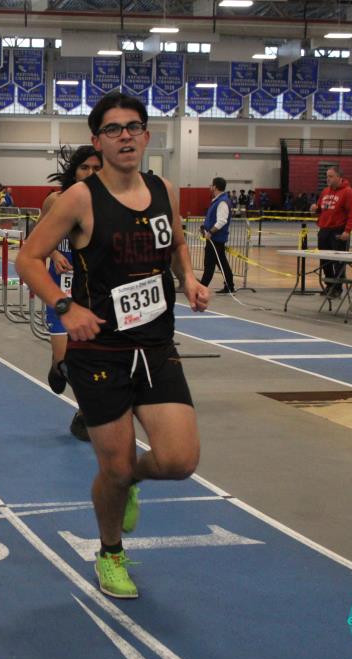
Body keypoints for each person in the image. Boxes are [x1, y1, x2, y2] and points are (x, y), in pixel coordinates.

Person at [15, 92, 209, 600]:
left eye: (134, 127)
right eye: (113, 129)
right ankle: (111, 552)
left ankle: (130, 482)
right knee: (114, 467)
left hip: (156, 345)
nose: (126, 136)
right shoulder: (79, 199)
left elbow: (178, 242)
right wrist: (64, 306)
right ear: (97, 141)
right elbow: (28, 259)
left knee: (179, 460)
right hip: (100, 351)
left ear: (146, 136)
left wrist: (188, 279)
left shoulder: (164, 189)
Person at [38, 144, 102, 443]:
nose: (90, 173)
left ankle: (84, 412)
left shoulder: (108, 205)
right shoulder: (55, 200)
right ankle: (57, 366)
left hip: (92, 292)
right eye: (84, 168)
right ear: (74, 171)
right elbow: (37, 239)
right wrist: (54, 253)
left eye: (97, 168)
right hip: (60, 291)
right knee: (65, 361)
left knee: (90, 360)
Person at [310, 166, 352, 299]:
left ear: (339, 177)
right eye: (327, 176)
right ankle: (329, 285)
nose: (327, 179)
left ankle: (337, 288)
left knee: (338, 261)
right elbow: (320, 209)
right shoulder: (325, 191)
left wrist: (347, 231)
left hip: (338, 230)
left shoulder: (348, 192)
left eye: (330, 176)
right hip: (324, 230)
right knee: (325, 260)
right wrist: (315, 209)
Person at [200, 177, 236, 294]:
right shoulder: (217, 200)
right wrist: (204, 227)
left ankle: (202, 288)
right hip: (214, 238)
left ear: (215, 187)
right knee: (222, 263)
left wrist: (210, 232)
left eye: (212, 185)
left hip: (215, 239)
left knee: (209, 264)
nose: (210, 187)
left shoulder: (222, 202)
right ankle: (229, 286)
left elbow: (222, 221)